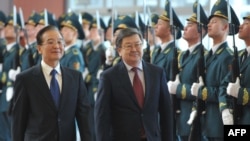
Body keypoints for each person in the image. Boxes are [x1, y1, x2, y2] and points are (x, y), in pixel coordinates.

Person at [11, 25, 94, 141]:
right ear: (39, 48)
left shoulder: (75, 78)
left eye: (60, 42)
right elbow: (19, 121)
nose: (56, 46)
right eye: (50, 42)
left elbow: (84, 117)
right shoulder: (25, 79)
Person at [94, 27, 173, 141]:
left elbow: (166, 113)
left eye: (137, 44)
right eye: (128, 46)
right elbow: (102, 117)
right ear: (119, 50)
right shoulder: (108, 77)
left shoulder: (157, 73)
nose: (134, 49)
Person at [190, 0, 240, 140]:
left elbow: (224, 92)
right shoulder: (207, 56)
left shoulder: (228, 57)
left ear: (225, 27)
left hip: (219, 124)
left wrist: (201, 92)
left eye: (214, 22)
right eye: (209, 22)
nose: (209, 24)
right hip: (205, 124)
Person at [167, 1, 208, 141]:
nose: (184, 28)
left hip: (195, 118)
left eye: (190, 26)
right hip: (180, 118)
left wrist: (178, 89)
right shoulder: (182, 55)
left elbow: (201, 89)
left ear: (201, 31)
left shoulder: (203, 56)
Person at [226, 15, 250, 125]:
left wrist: (240, 93)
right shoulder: (239, 56)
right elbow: (225, 83)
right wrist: (225, 109)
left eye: (246, 23)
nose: (240, 26)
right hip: (236, 119)